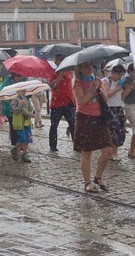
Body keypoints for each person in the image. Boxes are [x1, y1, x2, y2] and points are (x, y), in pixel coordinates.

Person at [73, 61, 113, 193]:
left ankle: (98, 176)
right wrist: (91, 90)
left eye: (90, 65)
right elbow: (81, 102)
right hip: (85, 118)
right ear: (79, 69)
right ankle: (88, 182)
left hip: (99, 117)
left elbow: (105, 99)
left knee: (107, 149)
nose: (89, 68)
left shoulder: (96, 80)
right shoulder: (77, 83)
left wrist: (99, 90)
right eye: (85, 66)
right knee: (87, 152)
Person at [48, 54, 76, 152]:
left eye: (59, 60)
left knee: (73, 124)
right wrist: (60, 75)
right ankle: (53, 145)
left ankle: (76, 144)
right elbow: (52, 86)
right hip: (57, 104)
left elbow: (70, 85)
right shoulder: (53, 72)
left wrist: (74, 99)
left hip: (68, 102)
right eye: (57, 60)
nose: (57, 62)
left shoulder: (69, 72)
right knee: (54, 125)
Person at [102, 65, 127, 161]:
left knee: (120, 131)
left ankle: (114, 151)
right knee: (111, 131)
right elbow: (106, 95)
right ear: (114, 73)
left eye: (122, 75)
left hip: (119, 108)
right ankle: (110, 151)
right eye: (119, 75)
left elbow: (122, 97)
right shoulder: (106, 81)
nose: (120, 77)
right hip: (110, 109)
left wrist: (125, 89)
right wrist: (116, 89)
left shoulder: (121, 82)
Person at [121, 64, 135, 159]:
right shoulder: (126, 81)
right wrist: (132, 85)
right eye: (133, 71)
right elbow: (123, 96)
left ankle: (131, 150)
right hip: (130, 105)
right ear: (129, 71)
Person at [10, 89, 34, 162]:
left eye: (24, 91)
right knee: (22, 138)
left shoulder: (27, 100)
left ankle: (24, 154)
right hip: (19, 123)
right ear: (17, 91)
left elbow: (31, 110)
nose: (23, 93)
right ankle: (14, 149)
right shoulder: (15, 100)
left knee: (28, 139)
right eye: (21, 91)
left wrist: (28, 113)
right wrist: (20, 105)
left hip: (27, 122)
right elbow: (14, 110)